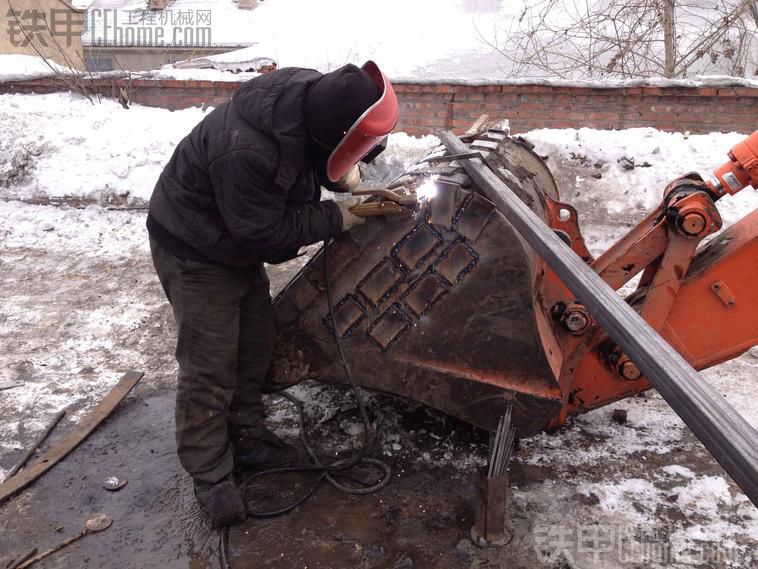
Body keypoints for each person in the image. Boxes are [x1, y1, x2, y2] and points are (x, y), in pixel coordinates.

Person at [147, 61, 398, 527]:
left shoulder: (312, 96)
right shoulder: (247, 151)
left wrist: (342, 175)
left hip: (233, 237)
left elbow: (308, 156)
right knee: (211, 362)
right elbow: (267, 233)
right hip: (193, 246)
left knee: (256, 342)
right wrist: (339, 216)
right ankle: (211, 474)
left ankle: (245, 435)